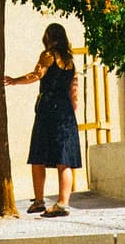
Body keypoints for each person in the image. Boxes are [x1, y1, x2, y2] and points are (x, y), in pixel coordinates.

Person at [6, 21, 82, 217]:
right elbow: (74, 92)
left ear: (48, 37)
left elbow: (36, 75)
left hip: (48, 108)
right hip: (65, 111)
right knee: (64, 158)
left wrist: (15, 81)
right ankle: (63, 202)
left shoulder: (48, 55)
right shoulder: (71, 62)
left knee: (38, 153)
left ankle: (39, 200)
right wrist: (70, 112)